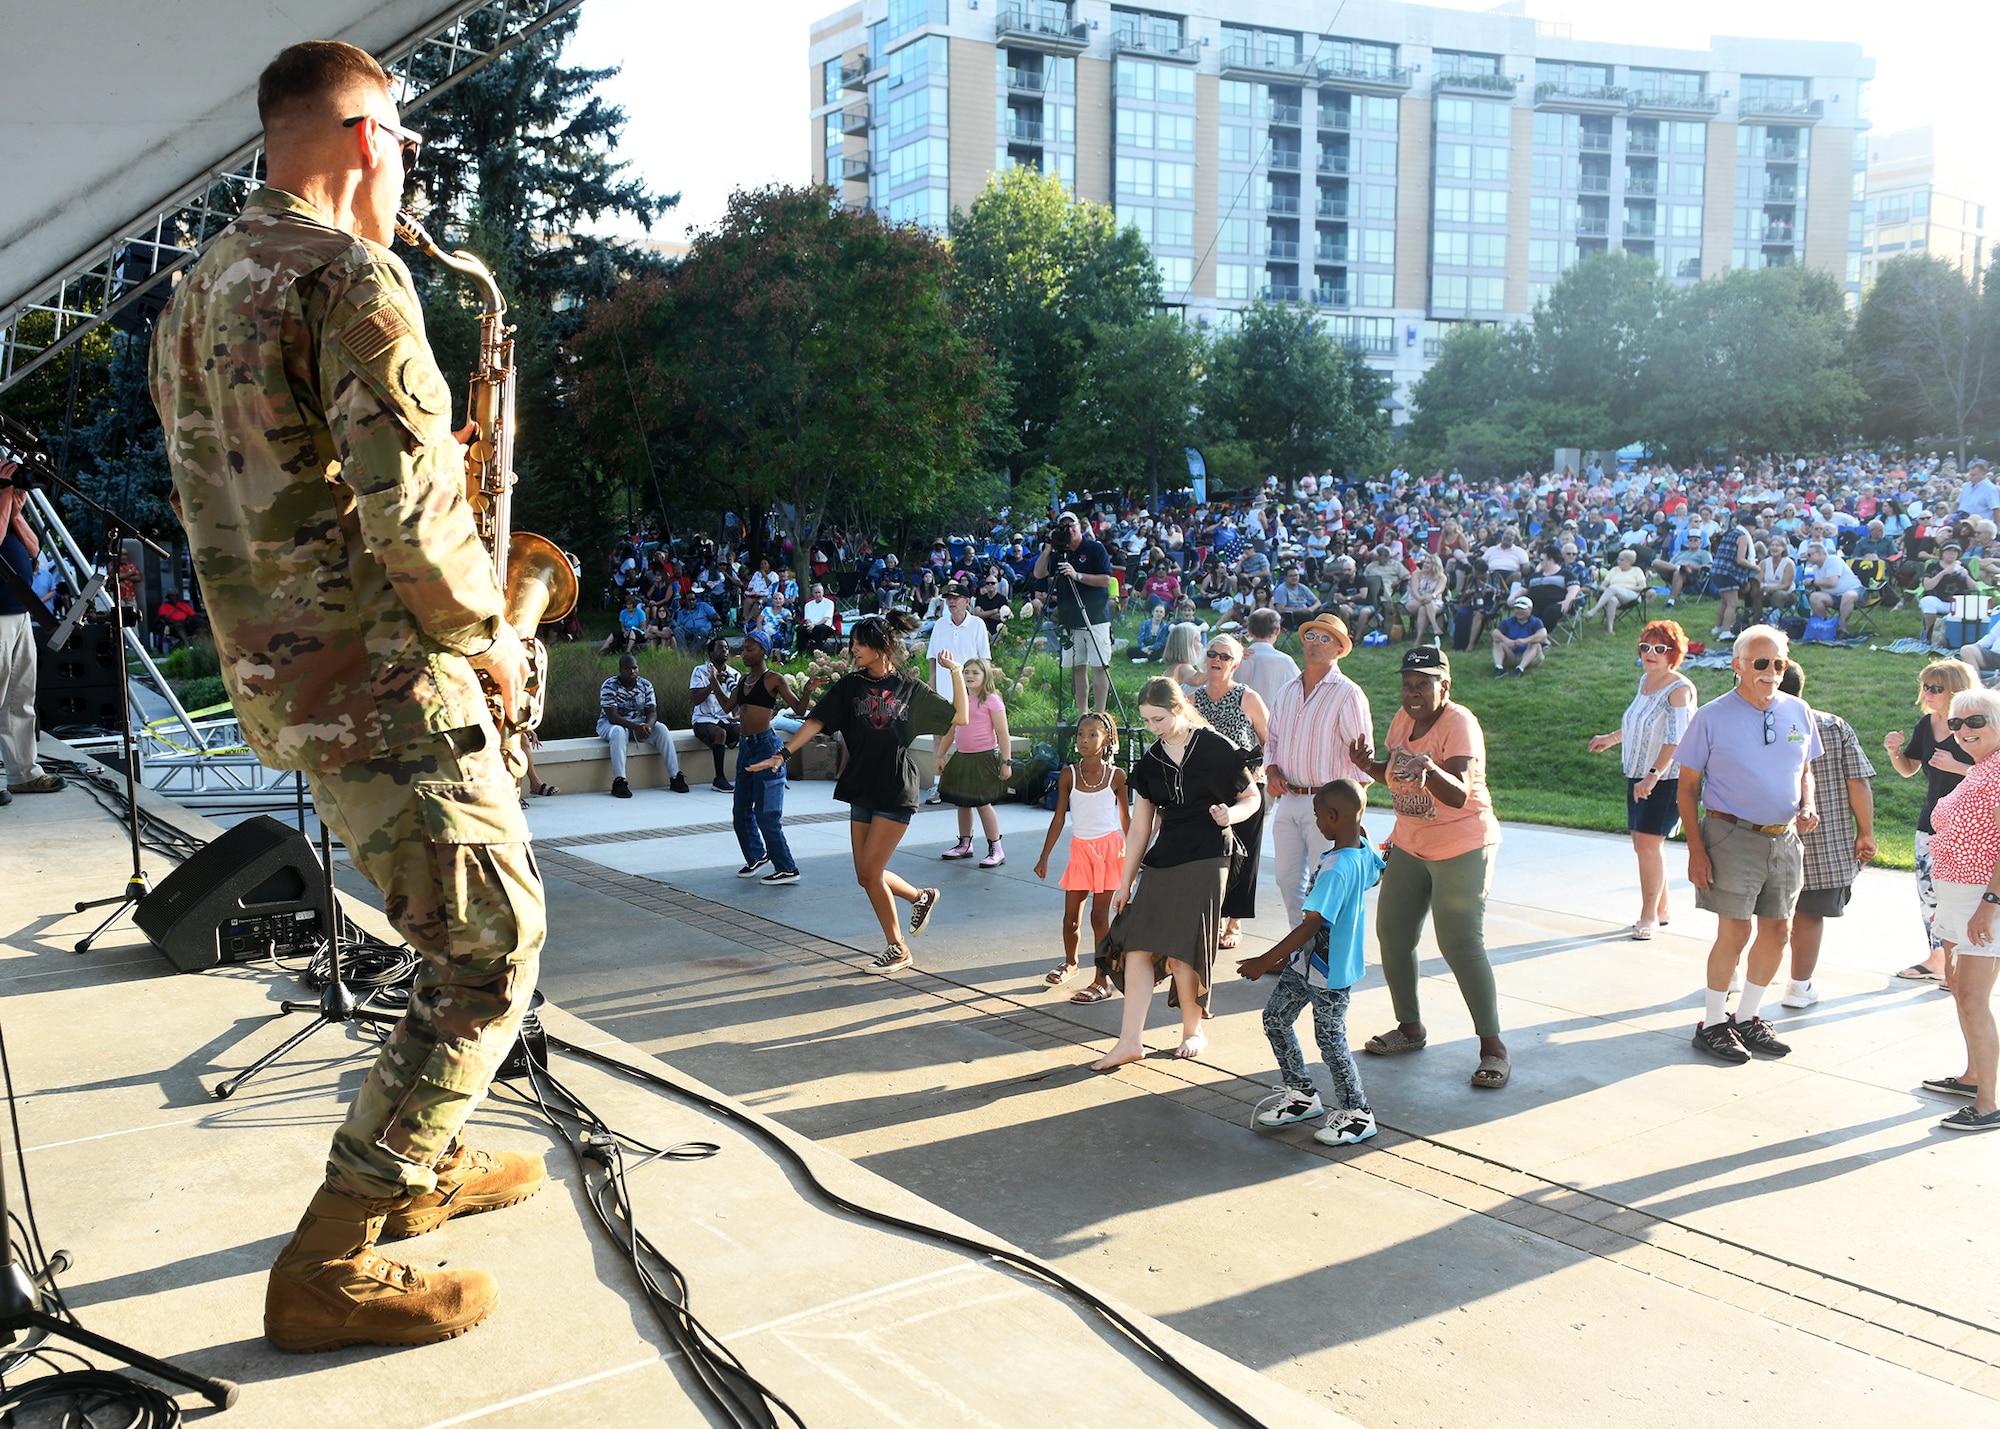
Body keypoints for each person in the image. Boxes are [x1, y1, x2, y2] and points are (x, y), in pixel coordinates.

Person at [148, 39, 543, 1351]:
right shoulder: (350, 279)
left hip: (290, 682)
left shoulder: (197, 292)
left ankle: (423, 1164)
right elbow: (414, 518)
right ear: (366, 133)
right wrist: (496, 637)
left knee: (457, 937)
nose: (408, 165)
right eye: (403, 138)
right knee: (490, 949)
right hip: (389, 681)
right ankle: (332, 1255)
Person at [744, 611, 967, 972]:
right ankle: (920, 896)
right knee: (865, 875)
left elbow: (960, 717)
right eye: (853, 643)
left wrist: (955, 672)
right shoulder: (850, 686)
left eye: (861, 643)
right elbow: (816, 720)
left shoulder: (909, 690)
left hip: (895, 787)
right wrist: (782, 755)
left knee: (871, 869)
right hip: (861, 785)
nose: (854, 649)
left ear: (883, 646)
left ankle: (898, 947)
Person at [1347, 646, 1510, 1090]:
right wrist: (1370, 767)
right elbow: (1397, 774)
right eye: (1407, 683)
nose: (1413, 691)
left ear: (1445, 686)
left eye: (1423, 683)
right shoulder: (1404, 719)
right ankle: (1410, 1028)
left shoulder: (1460, 723)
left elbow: (1457, 792)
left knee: (1460, 943)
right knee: (1393, 935)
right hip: (1410, 843)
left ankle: (1493, 1048)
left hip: (1462, 844)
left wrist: (1431, 770)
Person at [1088, 678, 1260, 1069]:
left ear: (1179, 708)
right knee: (1137, 946)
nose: (1154, 727)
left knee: (1185, 954)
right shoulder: (1150, 762)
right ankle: (1129, 1041)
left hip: (1210, 854)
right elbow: (1139, 829)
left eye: (1159, 718)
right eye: (1147, 720)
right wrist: (1125, 880)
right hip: (1165, 856)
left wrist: (1228, 815)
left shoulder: (1216, 747)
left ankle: (1193, 1031)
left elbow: (1252, 797)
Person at [1675, 625, 1822, 1064]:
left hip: (1784, 838)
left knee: (1778, 931)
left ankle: (1748, 1016)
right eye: (1761, 663)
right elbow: (1686, 790)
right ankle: (1713, 1023)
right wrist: (1696, 850)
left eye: (1778, 664)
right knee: (1735, 931)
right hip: (1730, 835)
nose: (1771, 672)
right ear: (1738, 665)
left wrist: (1808, 803)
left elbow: (1804, 770)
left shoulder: (1799, 710)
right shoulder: (1712, 717)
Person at [1236, 780, 1383, 1146]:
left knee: (1331, 1041)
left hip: (1329, 973)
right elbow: (1378, 872)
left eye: (1318, 815)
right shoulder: (1360, 849)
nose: (1316, 821)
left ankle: (1357, 1113)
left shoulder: (1336, 869)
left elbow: (1310, 925)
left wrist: (1263, 961)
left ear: (1334, 817)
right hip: (1306, 966)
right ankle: (1302, 1094)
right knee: (1276, 1018)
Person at [1772, 662, 1875, 1009]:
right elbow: (1858, 782)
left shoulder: (1752, 723)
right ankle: (1799, 987)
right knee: (1810, 913)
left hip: (1765, 833)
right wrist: (1866, 833)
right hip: (1825, 839)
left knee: (1756, 910)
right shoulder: (1833, 725)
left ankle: (1737, 977)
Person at [1921, 684, 2000, 1130]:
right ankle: (1973, 1076)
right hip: (1957, 899)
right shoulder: (1980, 768)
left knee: (1973, 996)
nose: (1964, 730)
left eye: (1975, 721)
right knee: (1960, 989)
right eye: (1956, 722)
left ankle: (1989, 1104)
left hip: (1981, 901)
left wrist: (1988, 905)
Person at [1262, 613, 1373, 931]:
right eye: (1311, 636)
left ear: (1340, 649)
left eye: (1326, 638)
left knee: (1324, 882)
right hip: (1291, 798)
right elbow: (1273, 740)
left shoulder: (1348, 693)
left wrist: (1351, 815)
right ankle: (1300, 951)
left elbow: (1363, 760)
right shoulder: (1288, 690)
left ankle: (1324, 957)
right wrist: (1271, 772)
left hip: (1330, 804)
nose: (1315, 643)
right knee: (1286, 880)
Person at [1587, 620, 1696, 939]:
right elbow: (1640, 724)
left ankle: (1648, 916)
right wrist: (1611, 738)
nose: (1651, 653)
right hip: (1638, 773)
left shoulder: (1679, 689)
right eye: (1646, 647)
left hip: (1665, 779)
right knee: (1642, 844)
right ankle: (1661, 908)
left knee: (1649, 843)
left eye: (1660, 648)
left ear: (1673, 654)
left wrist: (1652, 776)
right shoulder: (1646, 682)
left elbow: (1677, 740)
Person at [1884, 660, 1977, 985]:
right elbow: (1909, 768)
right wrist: (1896, 752)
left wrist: (1956, 766)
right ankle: (1938, 958)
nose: (1928, 693)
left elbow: (1992, 775)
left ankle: (1963, 965)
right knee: (1929, 895)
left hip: (1970, 827)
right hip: (1930, 823)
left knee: (1965, 896)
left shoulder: (1976, 727)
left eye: (1936, 687)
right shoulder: (1927, 724)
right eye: (1925, 686)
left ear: (1956, 689)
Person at [1032, 711, 1127, 1003]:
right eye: (1080, 735)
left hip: (1110, 851)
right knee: (1070, 918)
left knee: (1100, 917)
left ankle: (1102, 979)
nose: (1084, 740)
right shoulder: (1068, 774)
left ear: (1107, 739)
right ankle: (1071, 963)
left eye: (1092, 735)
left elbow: (1127, 820)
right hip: (1080, 850)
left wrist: (1137, 859)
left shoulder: (1117, 776)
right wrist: (1044, 856)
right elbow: (1059, 818)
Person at [1189, 634, 1271, 951]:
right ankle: (1213, 915)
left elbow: (1270, 739)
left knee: (1244, 855)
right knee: (1211, 856)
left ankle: (1234, 921)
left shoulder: (1247, 698)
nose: (1217, 660)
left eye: (1225, 656)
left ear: (1235, 664)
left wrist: (1260, 771)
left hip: (1245, 790)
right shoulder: (1194, 701)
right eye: (1212, 653)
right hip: (1206, 792)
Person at [723, 629, 812, 885]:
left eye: (749, 649)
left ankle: (787, 868)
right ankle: (756, 855)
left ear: (763, 651)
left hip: (766, 747)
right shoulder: (743, 681)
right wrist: (714, 683)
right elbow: (728, 708)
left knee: (766, 813)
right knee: (740, 810)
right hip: (746, 748)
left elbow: (798, 708)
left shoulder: (774, 679)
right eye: (743, 649)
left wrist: (806, 691)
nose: (744, 654)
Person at [0, 477, 63, 802]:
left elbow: (34, 550)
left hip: (19, 609)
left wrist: (14, 512)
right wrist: (4, 499)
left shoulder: (6, 508)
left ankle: (23, 773)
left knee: (19, 697)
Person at [936, 656, 1014, 867]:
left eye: (975, 672)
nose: (969, 676)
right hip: (963, 758)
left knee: (983, 804)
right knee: (962, 802)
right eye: (966, 672)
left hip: (984, 759)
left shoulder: (992, 700)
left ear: (985, 676)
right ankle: (964, 844)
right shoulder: (961, 700)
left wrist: (1006, 762)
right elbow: (951, 731)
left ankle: (996, 848)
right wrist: (940, 755)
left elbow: (1003, 733)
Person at [1034, 511, 1115, 714]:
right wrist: (1048, 549)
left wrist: (1076, 574)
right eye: (1064, 527)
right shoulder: (1059, 553)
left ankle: (1100, 715)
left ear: (1080, 527)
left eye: (1072, 526)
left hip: (1095, 617)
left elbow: (1107, 580)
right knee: (1077, 667)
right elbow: (1039, 573)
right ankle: (1082, 715)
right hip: (1070, 620)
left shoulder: (1095, 548)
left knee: (1099, 666)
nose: (1069, 531)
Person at [600, 654, 689, 797]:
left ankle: (675, 777)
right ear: (620, 670)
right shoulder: (609, 685)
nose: (632, 672)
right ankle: (620, 781)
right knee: (619, 732)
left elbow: (652, 711)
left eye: (634, 668)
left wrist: (647, 726)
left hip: (638, 724)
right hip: (610, 725)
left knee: (661, 729)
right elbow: (612, 716)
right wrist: (635, 727)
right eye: (627, 668)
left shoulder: (645, 685)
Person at [688, 636, 741, 792]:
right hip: (703, 720)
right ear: (711, 653)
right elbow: (696, 700)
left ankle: (747, 773)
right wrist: (713, 684)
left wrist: (737, 716)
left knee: (743, 731)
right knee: (720, 733)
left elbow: (737, 702)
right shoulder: (700, 671)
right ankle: (719, 779)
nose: (724, 650)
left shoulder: (734, 674)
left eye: (726, 648)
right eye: (720, 648)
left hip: (725, 719)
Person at [1238, 608, 1299, 710]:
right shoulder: (1285, 662)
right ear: (1277, 630)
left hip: (1236, 721)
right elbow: (1300, 694)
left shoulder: (1233, 658)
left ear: (1249, 631)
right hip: (1271, 721)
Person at [1803, 541, 1864, 635]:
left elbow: (1832, 583)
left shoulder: (1833, 560)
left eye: (1809, 554)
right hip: (1833, 597)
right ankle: (1824, 627)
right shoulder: (1814, 568)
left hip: (1856, 592)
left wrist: (1812, 582)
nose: (1807, 557)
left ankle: (1842, 629)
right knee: (1814, 597)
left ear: (1819, 553)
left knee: (1848, 595)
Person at [1586, 548, 1649, 632]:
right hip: (1614, 595)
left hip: (1632, 596)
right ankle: (1610, 629)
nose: (1619, 561)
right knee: (1612, 600)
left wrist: (1621, 588)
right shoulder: (1614, 570)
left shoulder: (1637, 571)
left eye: (1622, 560)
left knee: (1613, 588)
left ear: (1630, 561)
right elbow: (1602, 586)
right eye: (1618, 559)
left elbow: (1642, 587)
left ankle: (1594, 610)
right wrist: (1609, 591)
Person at [1490, 596, 1549, 677]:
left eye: (1522, 609)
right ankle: (1499, 668)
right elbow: (1495, 633)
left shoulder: (1536, 622)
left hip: (1532, 657)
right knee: (1497, 642)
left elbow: (1543, 634)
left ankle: (1520, 669)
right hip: (1512, 655)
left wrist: (1525, 641)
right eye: (1517, 609)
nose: (1519, 611)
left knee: (1535, 643)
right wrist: (1507, 641)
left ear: (1530, 610)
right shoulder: (1507, 621)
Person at [1404, 553, 1448, 644]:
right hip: (1415, 601)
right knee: (1426, 603)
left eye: (1428, 563)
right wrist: (1422, 599)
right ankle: (1435, 626)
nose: (1425, 565)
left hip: (1435, 603)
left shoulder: (1442, 577)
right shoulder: (1417, 574)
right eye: (1424, 562)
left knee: (1423, 609)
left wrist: (1432, 596)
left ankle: (1418, 639)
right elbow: (1414, 591)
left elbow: (1439, 590)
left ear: (1435, 565)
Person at [1160, 620, 1206, 688]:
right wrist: (1209, 664)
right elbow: (1196, 680)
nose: (1201, 645)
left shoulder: (1172, 667)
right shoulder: (1184, 667)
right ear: (1188, 646)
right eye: (1199, 641)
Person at [800, 582, 839, 652]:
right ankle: (801, 653)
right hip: (811, 626)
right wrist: (810, 625)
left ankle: (819, 652)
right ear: (812, 593)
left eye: (819, 592)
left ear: (823, 592)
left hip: (825, 626)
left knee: (818, 628)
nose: (817, 595)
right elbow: (807, 618)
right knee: (800, 629)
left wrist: (814, 626)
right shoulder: (808, 605)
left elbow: (826, 618)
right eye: (815, 593)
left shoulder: (829, 603)